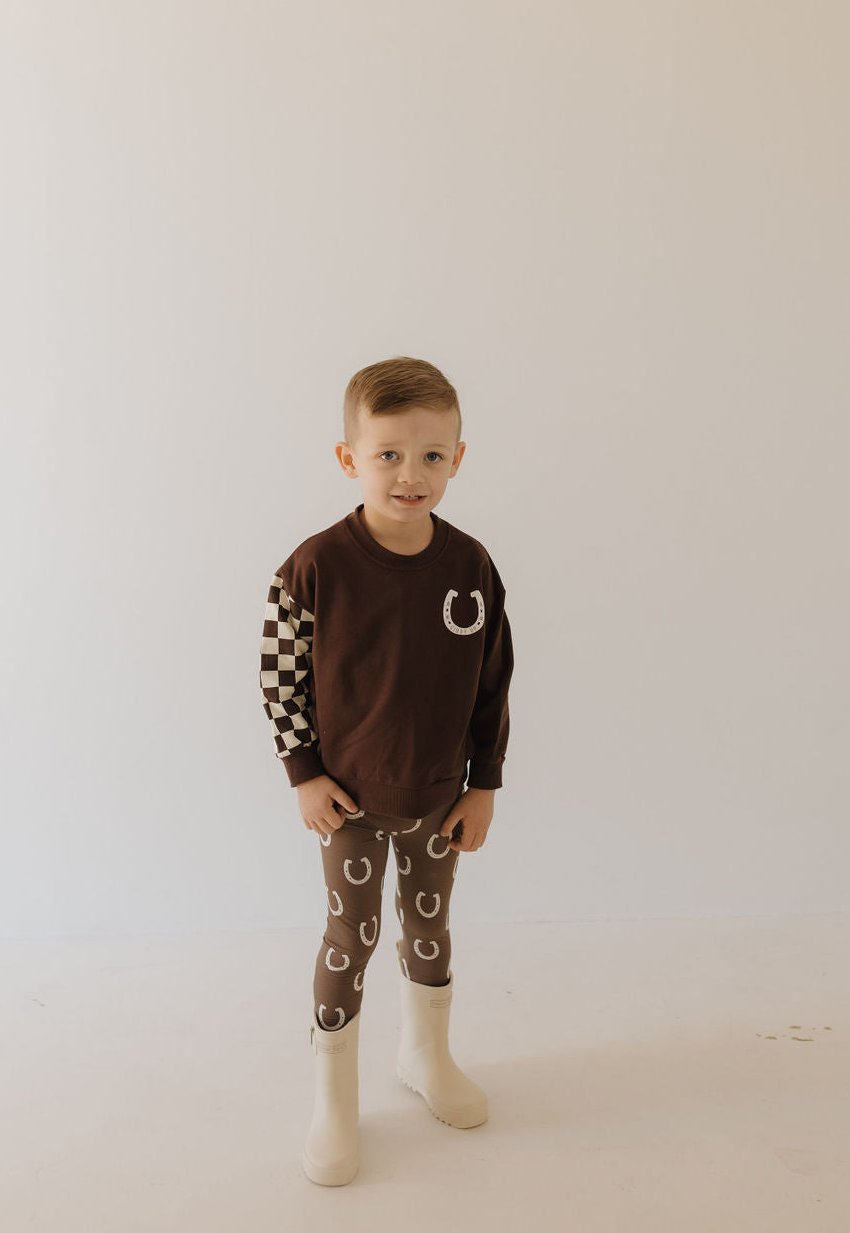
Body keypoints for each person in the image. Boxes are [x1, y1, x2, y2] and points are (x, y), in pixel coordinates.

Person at [259, 355, 515, 1186]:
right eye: (390, 455)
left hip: (439, 797)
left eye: (433, 456)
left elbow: (491, 681)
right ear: (349, 459)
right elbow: (281, 677)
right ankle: (335, 1102)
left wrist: (483, 782)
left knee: (430, 928)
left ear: (459, 458)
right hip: (353, 803)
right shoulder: (314, 568)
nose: (412, 475)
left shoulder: (471, 567)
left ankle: (425, 1054)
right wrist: (303, 771)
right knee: (352, 935)